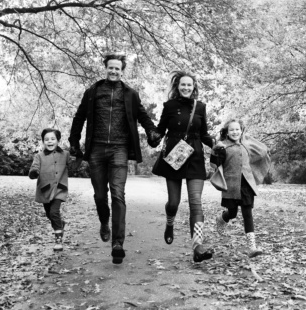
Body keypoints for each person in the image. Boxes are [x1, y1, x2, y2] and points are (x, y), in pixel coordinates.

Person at [68, 53, 161, 264]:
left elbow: (143, 116)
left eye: (118, 69)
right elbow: (79, 117)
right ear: (106, 68)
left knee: (118, 194)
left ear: (122, 71)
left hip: (120, 148)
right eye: (111, 68)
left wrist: (152, 132)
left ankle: (118, 243)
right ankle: (104, 221)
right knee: (101, 196)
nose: (114, 71)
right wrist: (74, 141)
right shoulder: (93, 91)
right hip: (96, 149)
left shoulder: (130, 94)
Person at [152, 71, 214, 263]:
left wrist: (217, 144)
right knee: (174, 202)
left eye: (189, 85)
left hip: (194, 157)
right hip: (175, 157)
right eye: (183, 85)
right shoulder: (169, 106)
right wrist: (153, 136)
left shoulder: (201, 107)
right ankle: (170, 223)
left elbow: (204, 135)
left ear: (194, 87)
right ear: (177, 86)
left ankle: (197, 247)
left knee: (196, 202)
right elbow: (160, 130)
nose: (186, 88)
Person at [210, 119, 271, 258]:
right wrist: (215, 151)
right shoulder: (222, 146)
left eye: (237, 129)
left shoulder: (246, 145)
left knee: (247, 214)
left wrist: (248, 138)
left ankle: (252, 247)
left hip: (246, 185)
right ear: (226, 132)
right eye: (232, 130)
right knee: (232, 213)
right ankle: (221, 219)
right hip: (230, 186)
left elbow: (262, 151)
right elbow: (214, 165)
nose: (235, 132)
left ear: (241, 130)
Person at [29, 128, 70, 252]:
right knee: (49, 214)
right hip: (45, 190)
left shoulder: (65, 154)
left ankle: (58, 240)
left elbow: (74, 164)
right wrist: (34, 172)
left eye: (53, 139)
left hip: (59, 189)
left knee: (54, 212)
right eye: (46, 139)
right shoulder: (39, 156)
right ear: (43, 141)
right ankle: (60, 224)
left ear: (58, 140)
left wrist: (80, 157)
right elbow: (33, 168)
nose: (50, 141)